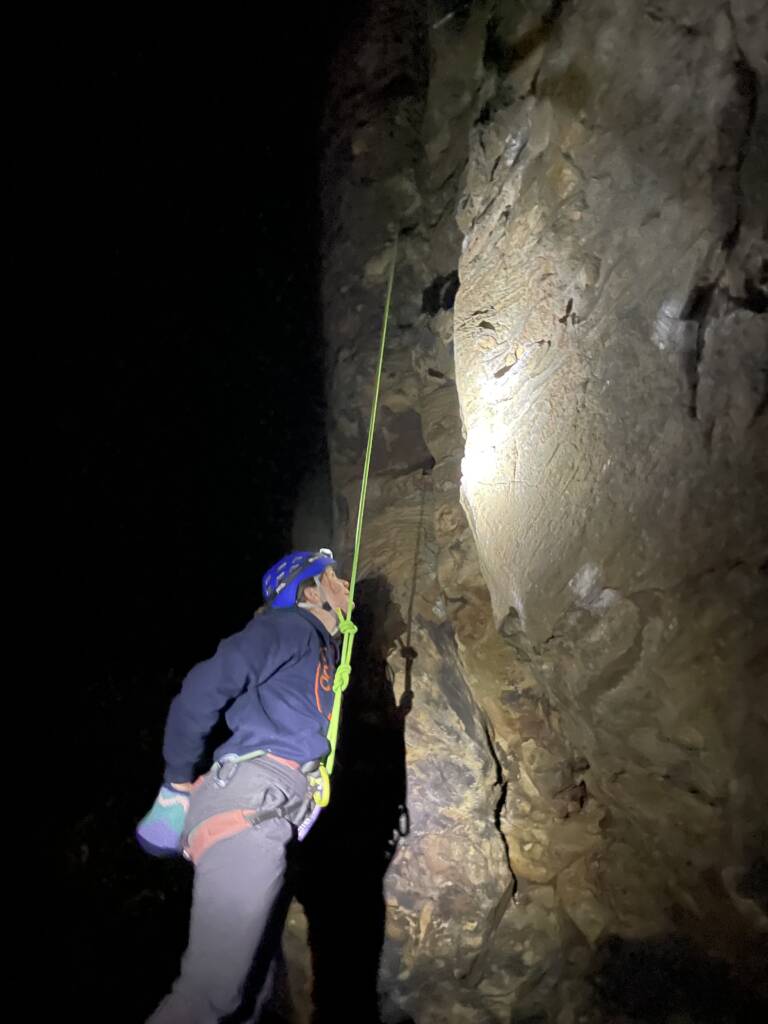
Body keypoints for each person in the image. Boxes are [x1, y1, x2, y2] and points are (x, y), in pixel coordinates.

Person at [138, 548, 350, 1024]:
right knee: (210, 995)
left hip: (267, 810)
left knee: (250, 998)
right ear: (308, 591)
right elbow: (201, 687)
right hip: (251, 802)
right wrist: (175, 781)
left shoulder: (317, 649)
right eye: (334, 579)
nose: (347, 587)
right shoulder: (288, 628)